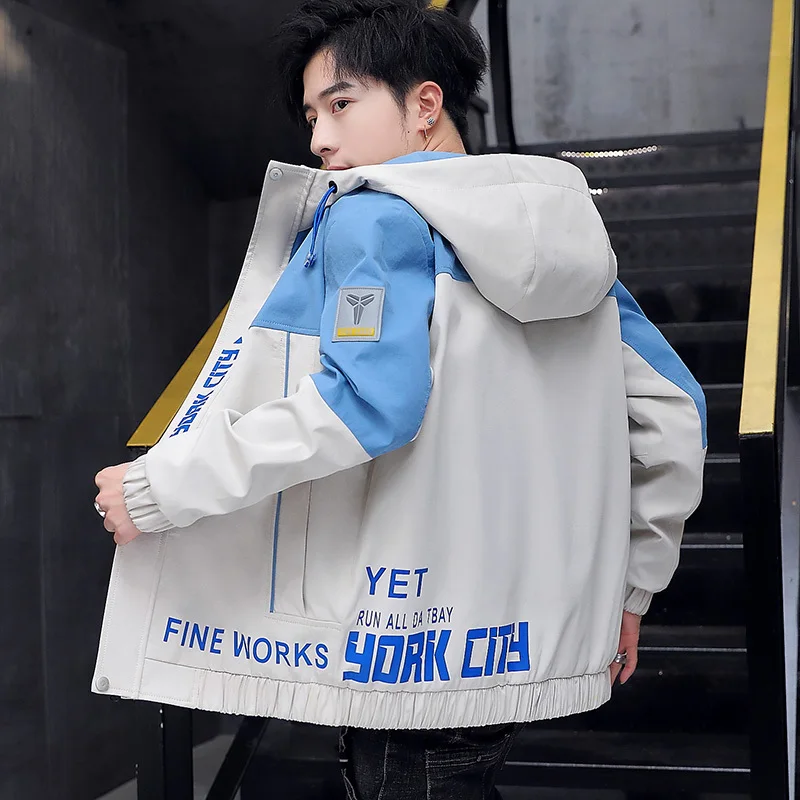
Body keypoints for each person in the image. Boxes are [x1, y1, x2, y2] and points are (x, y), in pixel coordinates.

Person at [94, 2, 707, 798]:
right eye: (312, 116)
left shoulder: (373, 219)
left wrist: (160, 487)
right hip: (520, 642)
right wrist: (633, 587)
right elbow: (675, 413)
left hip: (407, 653)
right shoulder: (573, 240)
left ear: (425, 104)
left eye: (340, 104)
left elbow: (366, 403)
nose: (319, 139)